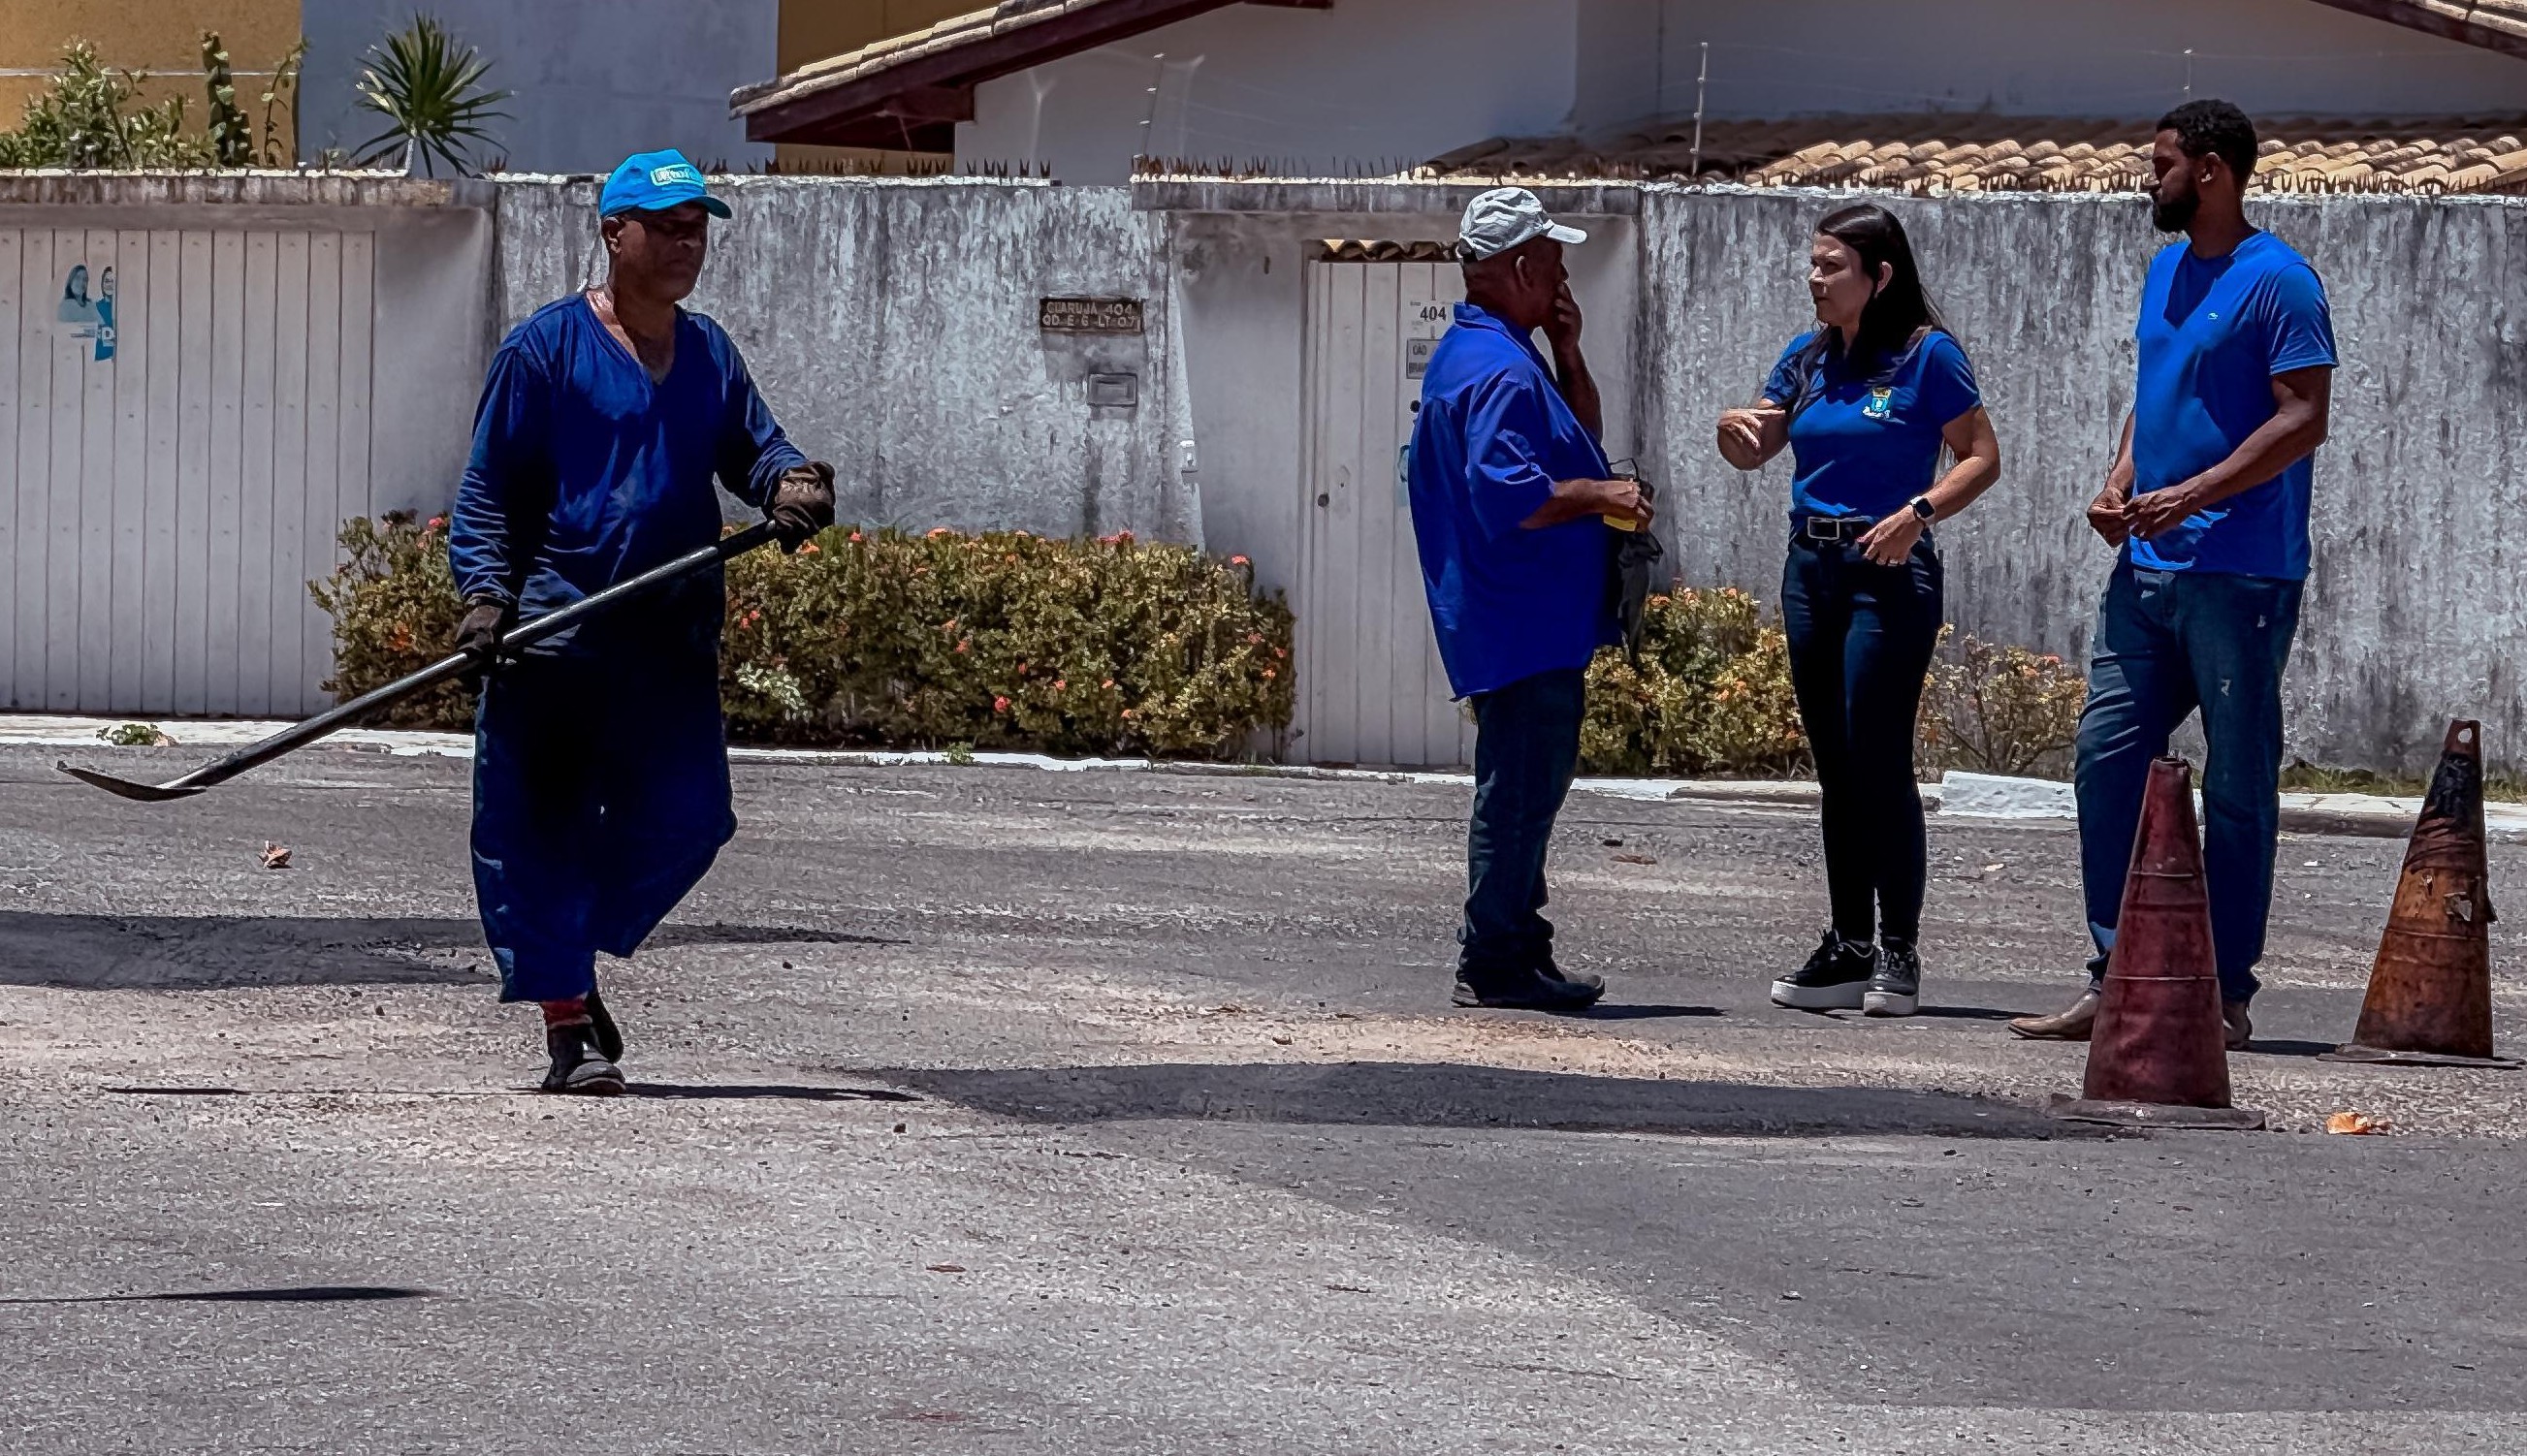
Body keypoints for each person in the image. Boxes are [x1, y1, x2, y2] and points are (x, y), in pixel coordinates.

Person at [449, 149, 836, 1093]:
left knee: (690, 821)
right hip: (557, 638)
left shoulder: (707, 353)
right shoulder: (543, 353)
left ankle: (566, 946)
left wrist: (789, 483)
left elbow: (756, 447)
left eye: (695, 227)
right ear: (611, 231)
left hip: (667, 639)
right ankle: (567, 1022)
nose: (683, 243)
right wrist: (485, 598)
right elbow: (488, 495)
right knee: (536, 830)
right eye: (663, 226)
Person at [2009, 101, 2334, 1049]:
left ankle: (2224, 991)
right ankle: (2116, 975)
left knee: (2234, 782)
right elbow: (2152, 393)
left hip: (2239, 577)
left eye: (2159, 165)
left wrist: (2188, 494)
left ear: (2210, 171)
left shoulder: (2279, 282)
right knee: (2103, 758)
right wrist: (2118, 480)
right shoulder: (2164, 269)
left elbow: (2301, 415)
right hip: (2142, 571)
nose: (2143, 179)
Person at [1716, 205, 2001, 1018]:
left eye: (1831, 265)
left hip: (1890, 571)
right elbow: (1760, 444)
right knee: (1835, 765)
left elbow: (1982, 457)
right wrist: (1734, 433)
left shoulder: (1926, 357)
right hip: (1813, 567)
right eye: (1812, 264)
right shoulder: (1806, 361)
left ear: (1878, 277)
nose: (1815, 278)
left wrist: (1920, 512)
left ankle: (1899, 949)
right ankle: (1846, 944)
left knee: (1878, 757)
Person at [1407, 187, 1653, 1013]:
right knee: (1518, 794)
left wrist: (1570, 350)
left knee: (1523, 789)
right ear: (1519, 267)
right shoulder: (1500, 372)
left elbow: (1574, 439)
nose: (1563, 275)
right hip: (1521, 620)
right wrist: (1602, 494)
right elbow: (1510, 494)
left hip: (1522, 618)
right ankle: (1498, 958)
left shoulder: (1495, 353)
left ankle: (1514, 946)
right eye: (1553, 261)